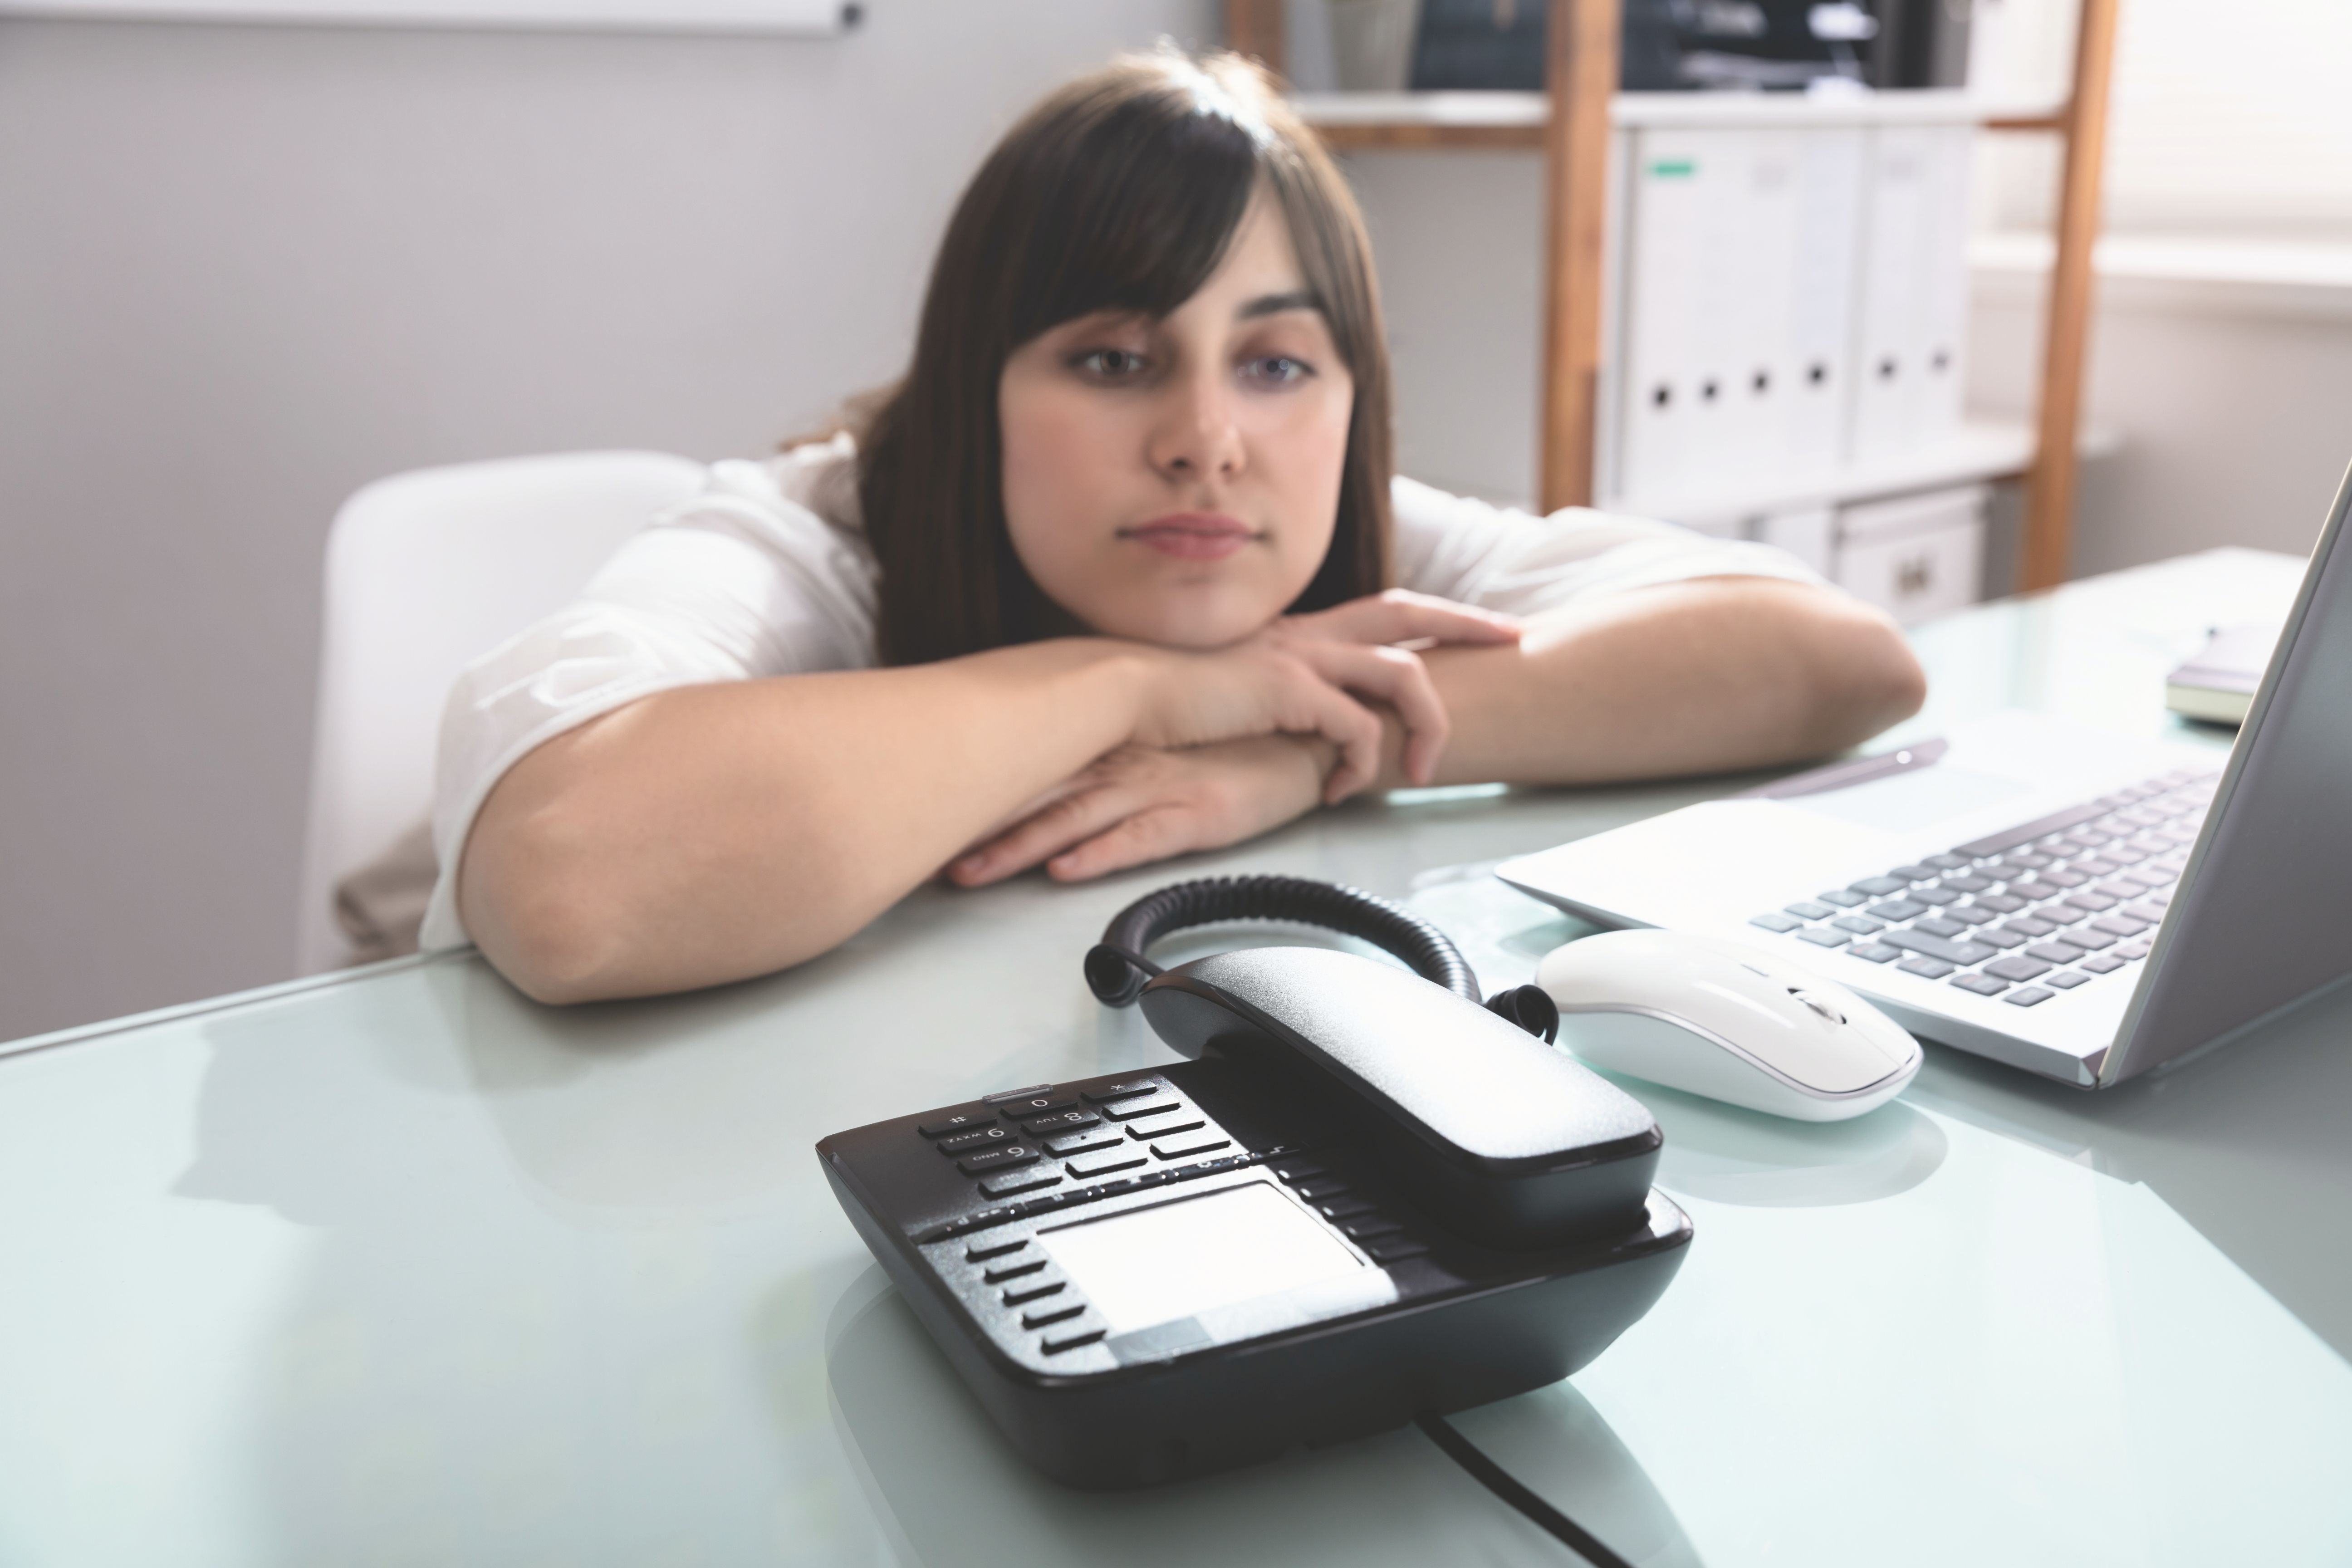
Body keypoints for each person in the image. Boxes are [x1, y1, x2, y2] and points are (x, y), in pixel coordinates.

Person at [422, 48, 1924, 1004]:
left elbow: (1839, 662)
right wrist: (1140, 689)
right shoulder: (811, 538)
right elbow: (578, 881)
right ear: (979, 389)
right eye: (1113, 359)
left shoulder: (1337, 533)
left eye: (1276, 364)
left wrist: (1297, 752)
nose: (1209, 439)